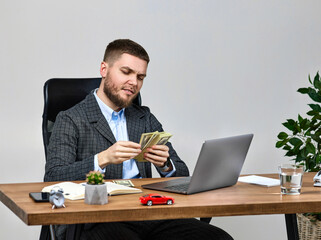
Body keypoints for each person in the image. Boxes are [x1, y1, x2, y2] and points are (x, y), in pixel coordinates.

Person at [44, 39, 233, 240]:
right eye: (126, 72)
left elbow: (183, 174)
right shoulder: (70, 118)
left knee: (218, 238)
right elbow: (53, 176)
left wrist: (165, 164)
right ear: (104, 69)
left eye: (140, 77)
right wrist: (102, 159)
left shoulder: (144, 118)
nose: (134, 82)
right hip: (98, 219)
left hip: (149, 212)